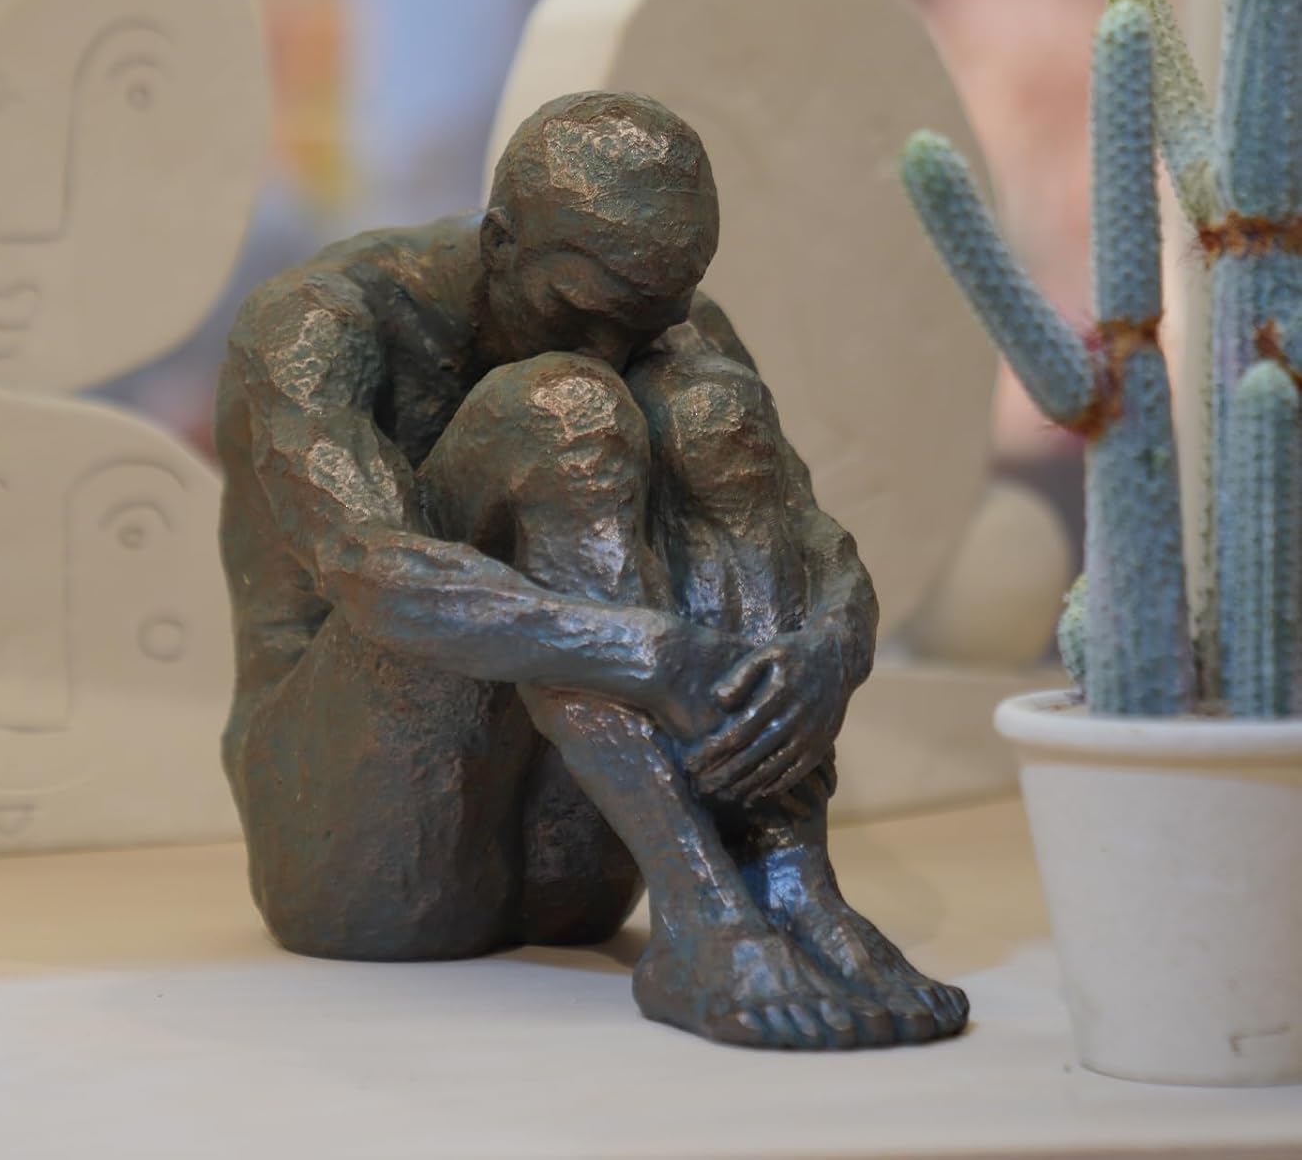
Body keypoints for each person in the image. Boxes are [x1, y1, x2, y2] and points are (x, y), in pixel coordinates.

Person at [217, 91, 967, 1048]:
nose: (615, 350)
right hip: (358, 849)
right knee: (561, 408)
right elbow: (375, 575)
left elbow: (818, 546)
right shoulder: (316, 324)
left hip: (574, 864)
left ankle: (789, 890)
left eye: (646, 321)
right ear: (499, 244)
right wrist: (654, 654)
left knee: (711, 412)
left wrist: (829, 651)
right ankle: (706, 916)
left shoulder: (674, 331)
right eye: (580, 310)